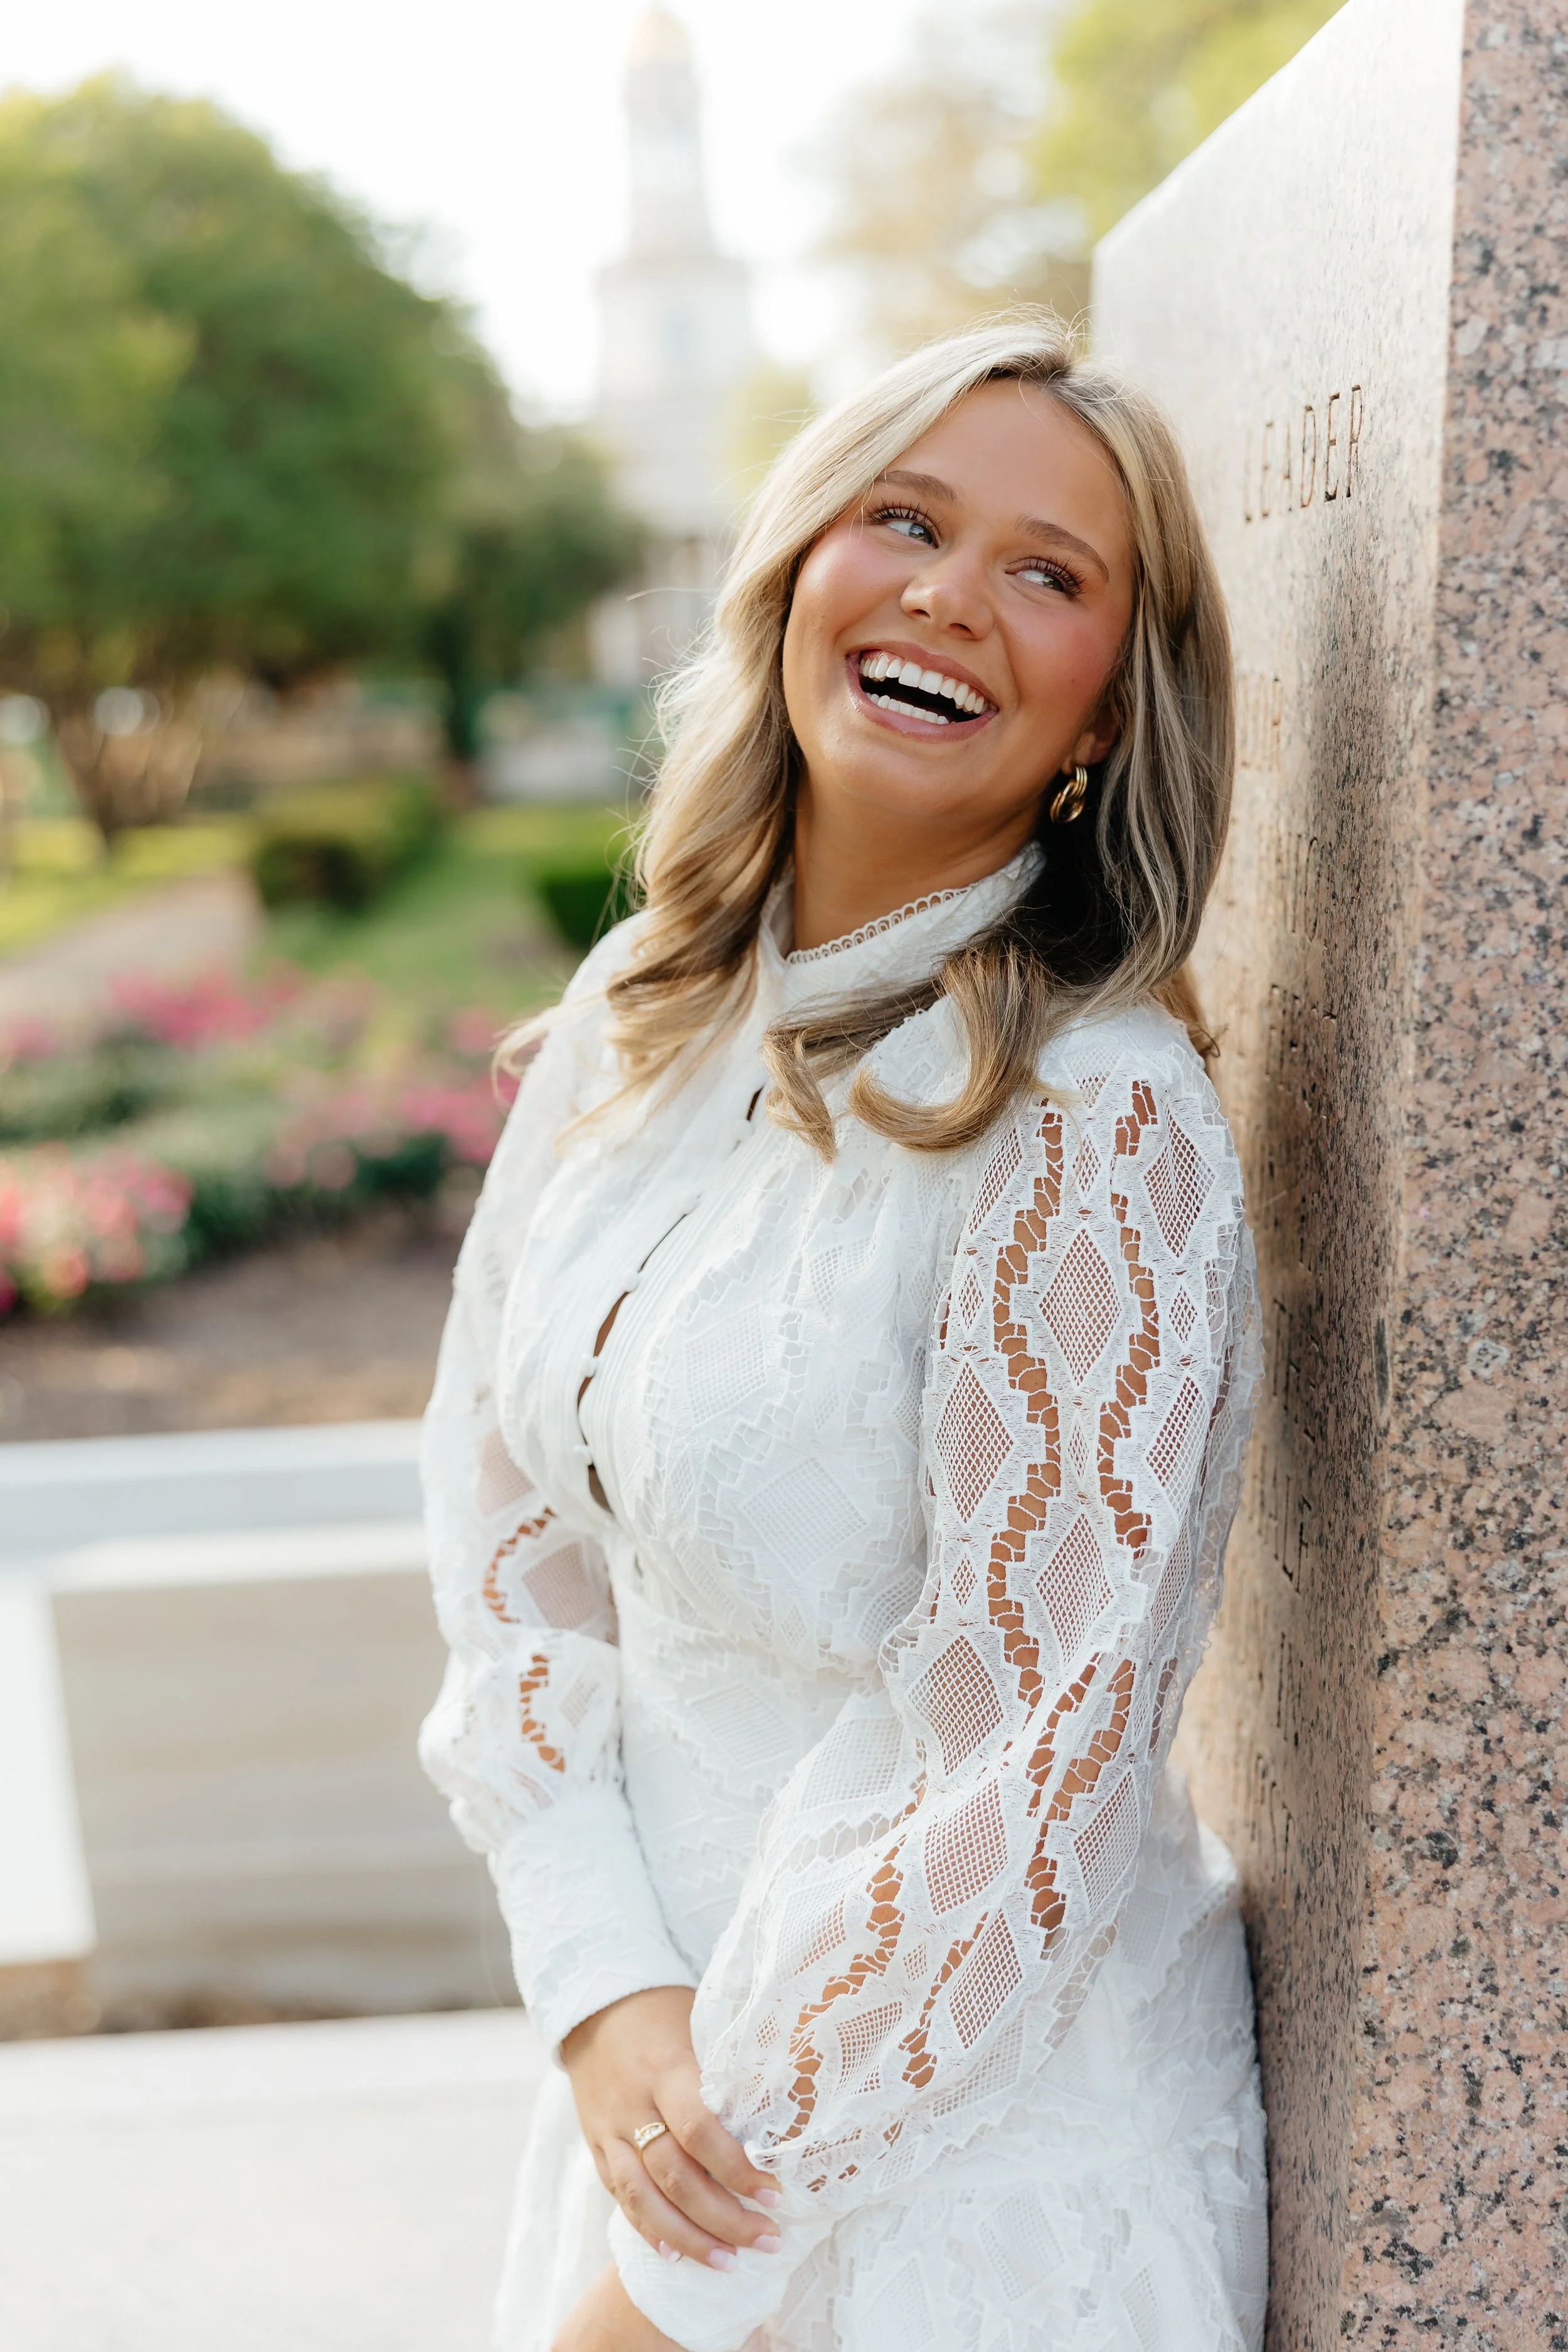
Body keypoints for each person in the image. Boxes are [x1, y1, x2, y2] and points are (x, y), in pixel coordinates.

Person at [419, 314, 1268, 2352]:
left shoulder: (1095, 1115)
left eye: (1048, 574)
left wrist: (663, 2291)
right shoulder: (644, 1003)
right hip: (656, 2102)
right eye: (904, 518)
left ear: (1097, 716)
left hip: (949, 2199)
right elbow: (502, 1525)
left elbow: (1026, 1766)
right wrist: (604, 1980)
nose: (950, 596)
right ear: (799, 566)